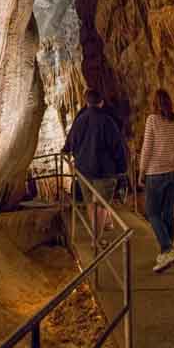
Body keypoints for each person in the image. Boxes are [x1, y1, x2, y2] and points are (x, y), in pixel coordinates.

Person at [63, 89, 127, 242]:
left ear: (86, 102)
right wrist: (122, 169)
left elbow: (71, 142)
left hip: (84, 170)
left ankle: (101, 228)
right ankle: (96, 240)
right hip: (104, 171)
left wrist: (67, 151)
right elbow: (118, 147)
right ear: (101, 103)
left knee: (91, 203)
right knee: (101, 204)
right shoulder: (107, 121)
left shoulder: (79, 120)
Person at [139, 89, 174, 272]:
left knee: (152, 213)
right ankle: (167, 252)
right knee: (168, 213)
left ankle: (167, 249)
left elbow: (147, 147)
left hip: (156, 173)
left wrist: (142, 171)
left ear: (154, 104)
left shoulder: (152, 120)